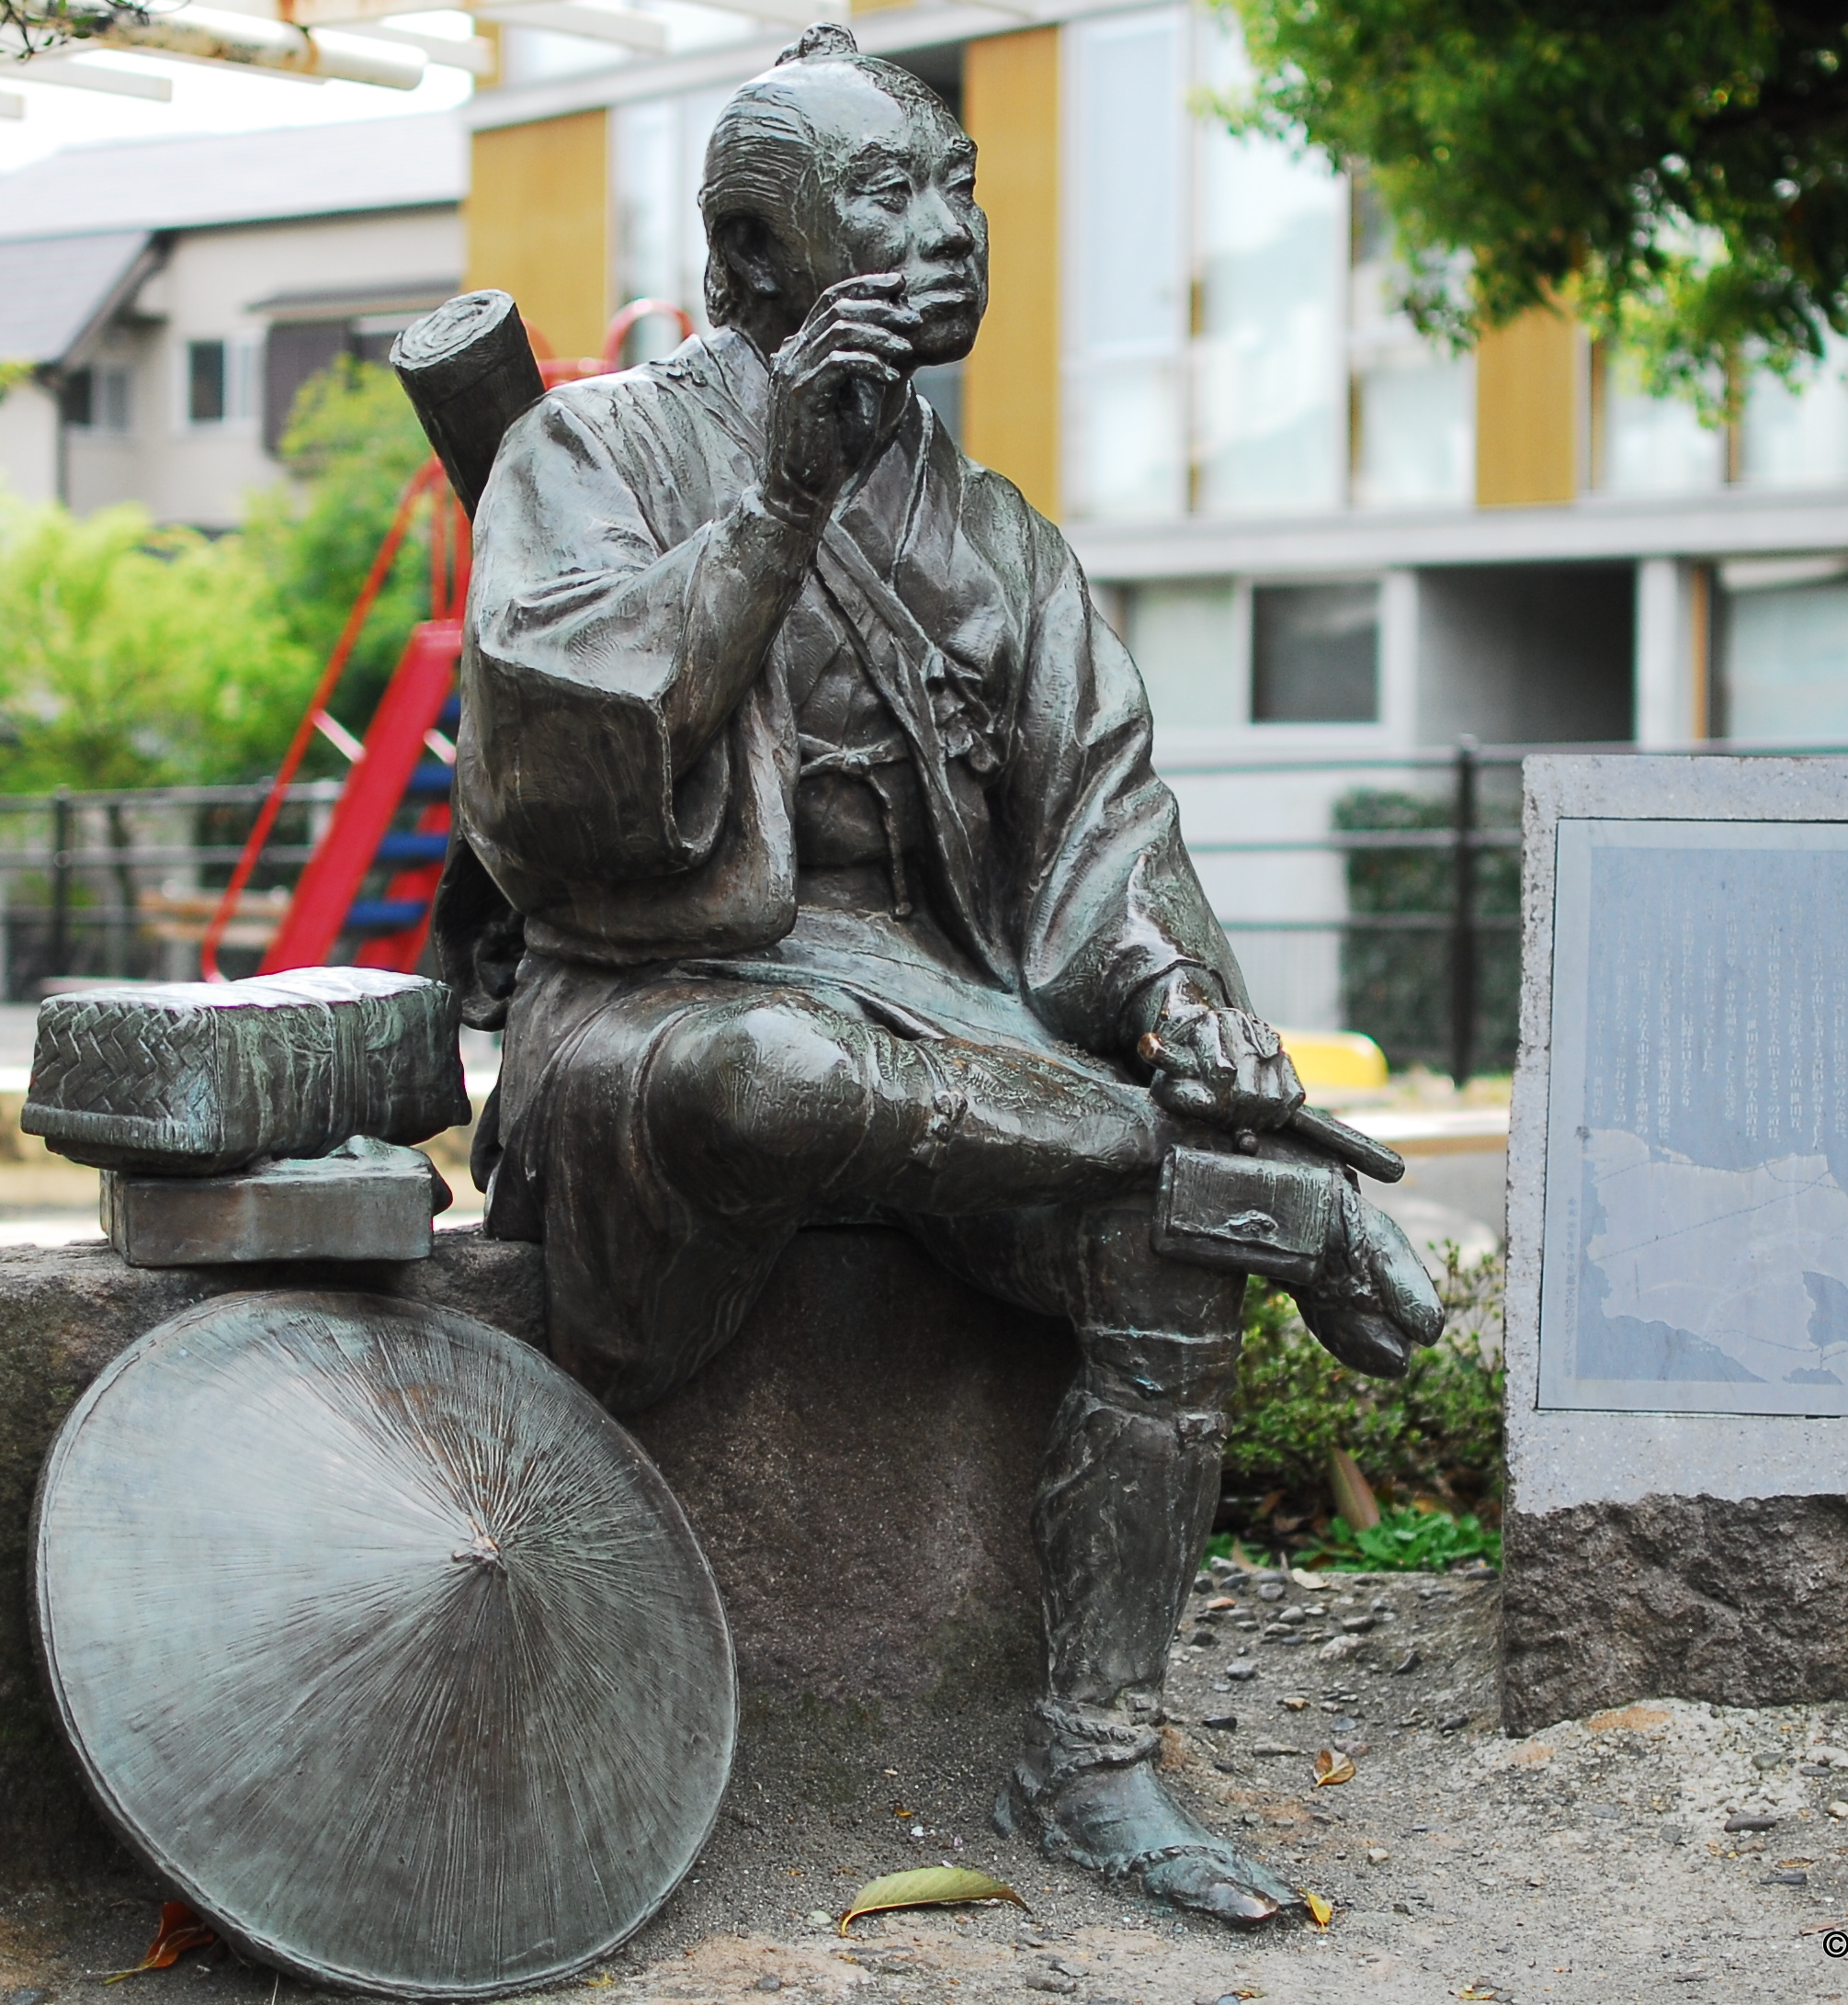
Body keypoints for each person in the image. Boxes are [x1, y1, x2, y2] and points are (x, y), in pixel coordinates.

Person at [447, 22, 1443, 1926]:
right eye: (884, 195)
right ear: (752, 256)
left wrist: (1172, 1006)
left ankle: (1089, 1755)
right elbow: (555, 798)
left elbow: (1098, 841)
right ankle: (1277, 1208)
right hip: (667, 1002)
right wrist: (779, 506)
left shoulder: (993, 536)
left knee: (1159, 1236)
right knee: (782, 1080)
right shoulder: (588, 452)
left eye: (959, 191)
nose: (945, 232)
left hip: (947, 1018)